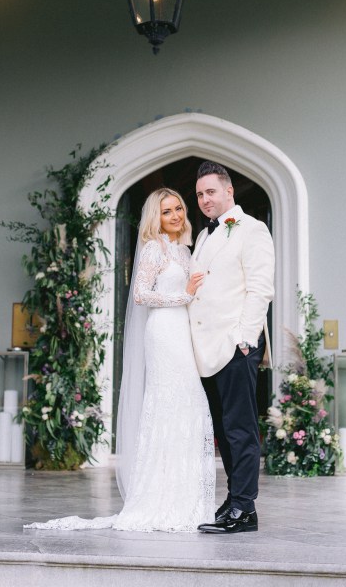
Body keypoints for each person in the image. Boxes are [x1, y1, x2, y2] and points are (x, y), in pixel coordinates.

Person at [24, 187, 215, 533]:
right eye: (167, 211)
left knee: (187, 406)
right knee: (167, 405)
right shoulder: (155, 250)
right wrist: (183, 295)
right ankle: (159, 498)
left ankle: (185, 496)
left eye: (179, 209)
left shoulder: (184, 250)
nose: (175, 216)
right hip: (163, 333)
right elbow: (141, 294)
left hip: (183, 334)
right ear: (156, 218)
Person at [188, 161, 275, 534]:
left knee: (240, 429)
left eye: (211, 192)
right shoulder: (206, 236)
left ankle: (245, 507)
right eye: (200, 195)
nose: (205, 200)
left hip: (235, 346)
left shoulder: (252, 230)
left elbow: (260, 289)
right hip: (206, 350)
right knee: (224, 432)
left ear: (229, 191)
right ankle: (234, 500)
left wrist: (245, 339)